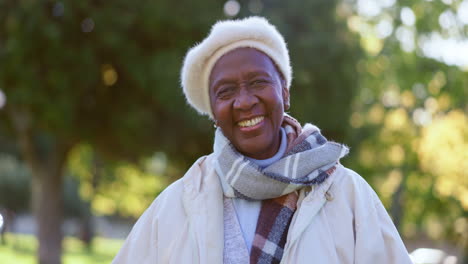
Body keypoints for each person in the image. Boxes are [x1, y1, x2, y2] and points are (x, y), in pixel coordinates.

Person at [113, 16, 413, 264]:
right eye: (225, 92)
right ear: (213, 113)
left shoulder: (348, 196)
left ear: (285, 91)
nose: (244, 102)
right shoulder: (176, 205)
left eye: (258, 82)